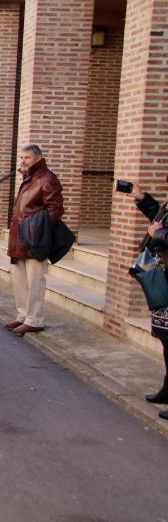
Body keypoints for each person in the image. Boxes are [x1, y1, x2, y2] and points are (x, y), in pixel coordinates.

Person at [4, 145, 64, 335]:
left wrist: (36, 229)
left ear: (38, 158)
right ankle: (23, 315)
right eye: (21, 157)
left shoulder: (47, 179)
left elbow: (55, 210)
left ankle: (35, 319)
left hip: (34, 240)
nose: (23, 161)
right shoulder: (29, 178)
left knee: (35, 281)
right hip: (19, 240)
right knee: (19, 280)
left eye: (27, 157)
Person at [130, 179, 168, 421]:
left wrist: (160, 234)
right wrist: (142, 198)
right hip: (164, 276)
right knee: (166, 338)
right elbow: (158, 218)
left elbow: (161, 229)